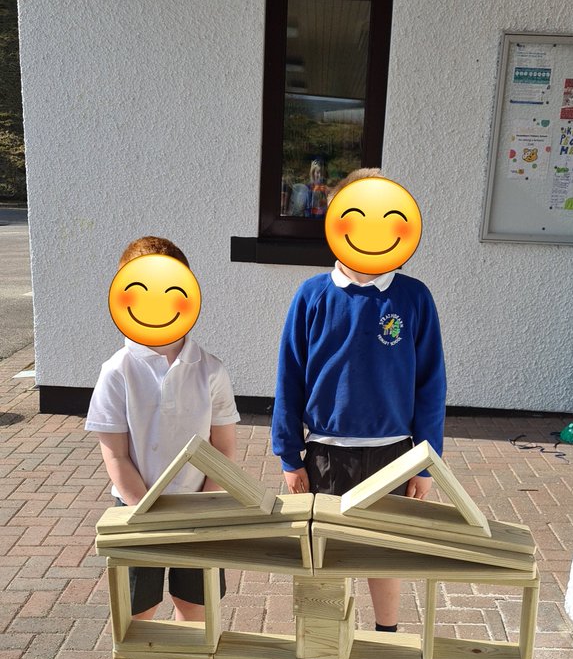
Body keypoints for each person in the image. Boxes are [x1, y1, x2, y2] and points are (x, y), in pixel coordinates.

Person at [271, 168, 446, 632]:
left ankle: (386, 637)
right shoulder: (312, 296)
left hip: (393, 454)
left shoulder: (413, 298)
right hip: (326, 452)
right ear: (338, 224)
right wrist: (289, 456)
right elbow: (289, 378)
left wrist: (425, 464)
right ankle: (320, 645)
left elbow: (431, 385)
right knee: (323, 555)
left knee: (383, 553)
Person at [86, 235, 240, 622]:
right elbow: (116, 455)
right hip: (135, 508)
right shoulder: (116, 372)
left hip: (198, 507)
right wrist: (147, 514)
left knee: (197, 606)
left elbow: (222, 448)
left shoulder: (211, 370)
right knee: (138, 609)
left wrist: (204, 504)